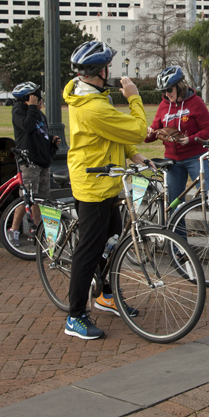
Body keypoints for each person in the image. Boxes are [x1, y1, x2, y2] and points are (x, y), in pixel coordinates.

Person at [62, 40, 150, 340]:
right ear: (100, 71)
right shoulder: (93, 107)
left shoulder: (93, 97)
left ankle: (106, 295)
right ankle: (75, 316)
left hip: (108, 179)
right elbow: (137, 128)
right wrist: (134, 98)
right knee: (88, 251)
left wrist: (132, 154)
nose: (110, 71)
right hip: (94, 186)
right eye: (107, 67)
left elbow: (114, 135)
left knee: (113, 240)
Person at [144, 66, 209, 250]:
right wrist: (148, 133)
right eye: (164, 91)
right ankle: (180, 245)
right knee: (175, 202)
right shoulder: (164, 105)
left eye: (169, 89)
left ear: (180, 86)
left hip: (196, 157)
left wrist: (192, 139)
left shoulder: (195, 103)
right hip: (172, 161)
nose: (166, 94)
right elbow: (153, 132)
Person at [9, 81, 60, 243]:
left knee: (41, 198)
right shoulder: (19, 111)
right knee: (27, 198)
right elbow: (27, 126)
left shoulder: (39, 115)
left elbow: (40, 133)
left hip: (42, 160)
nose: (41, 102)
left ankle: (37, 229)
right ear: (29, 99)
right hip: (28, 162)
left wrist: (51, 141)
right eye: (38, 98)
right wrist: (31, 107)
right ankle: (14, 229)